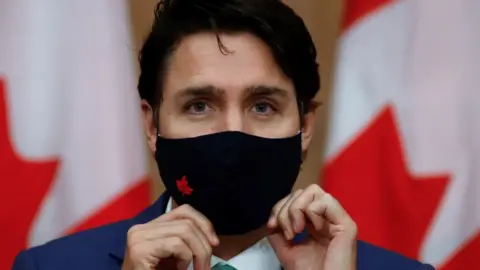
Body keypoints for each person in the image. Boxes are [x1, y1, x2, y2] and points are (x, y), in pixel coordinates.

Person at [12, 0, 435, 269]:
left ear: (305, 126)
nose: (233, 132)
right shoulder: (47, 267)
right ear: (151, 125)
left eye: (262, 106)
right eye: (199, 105)